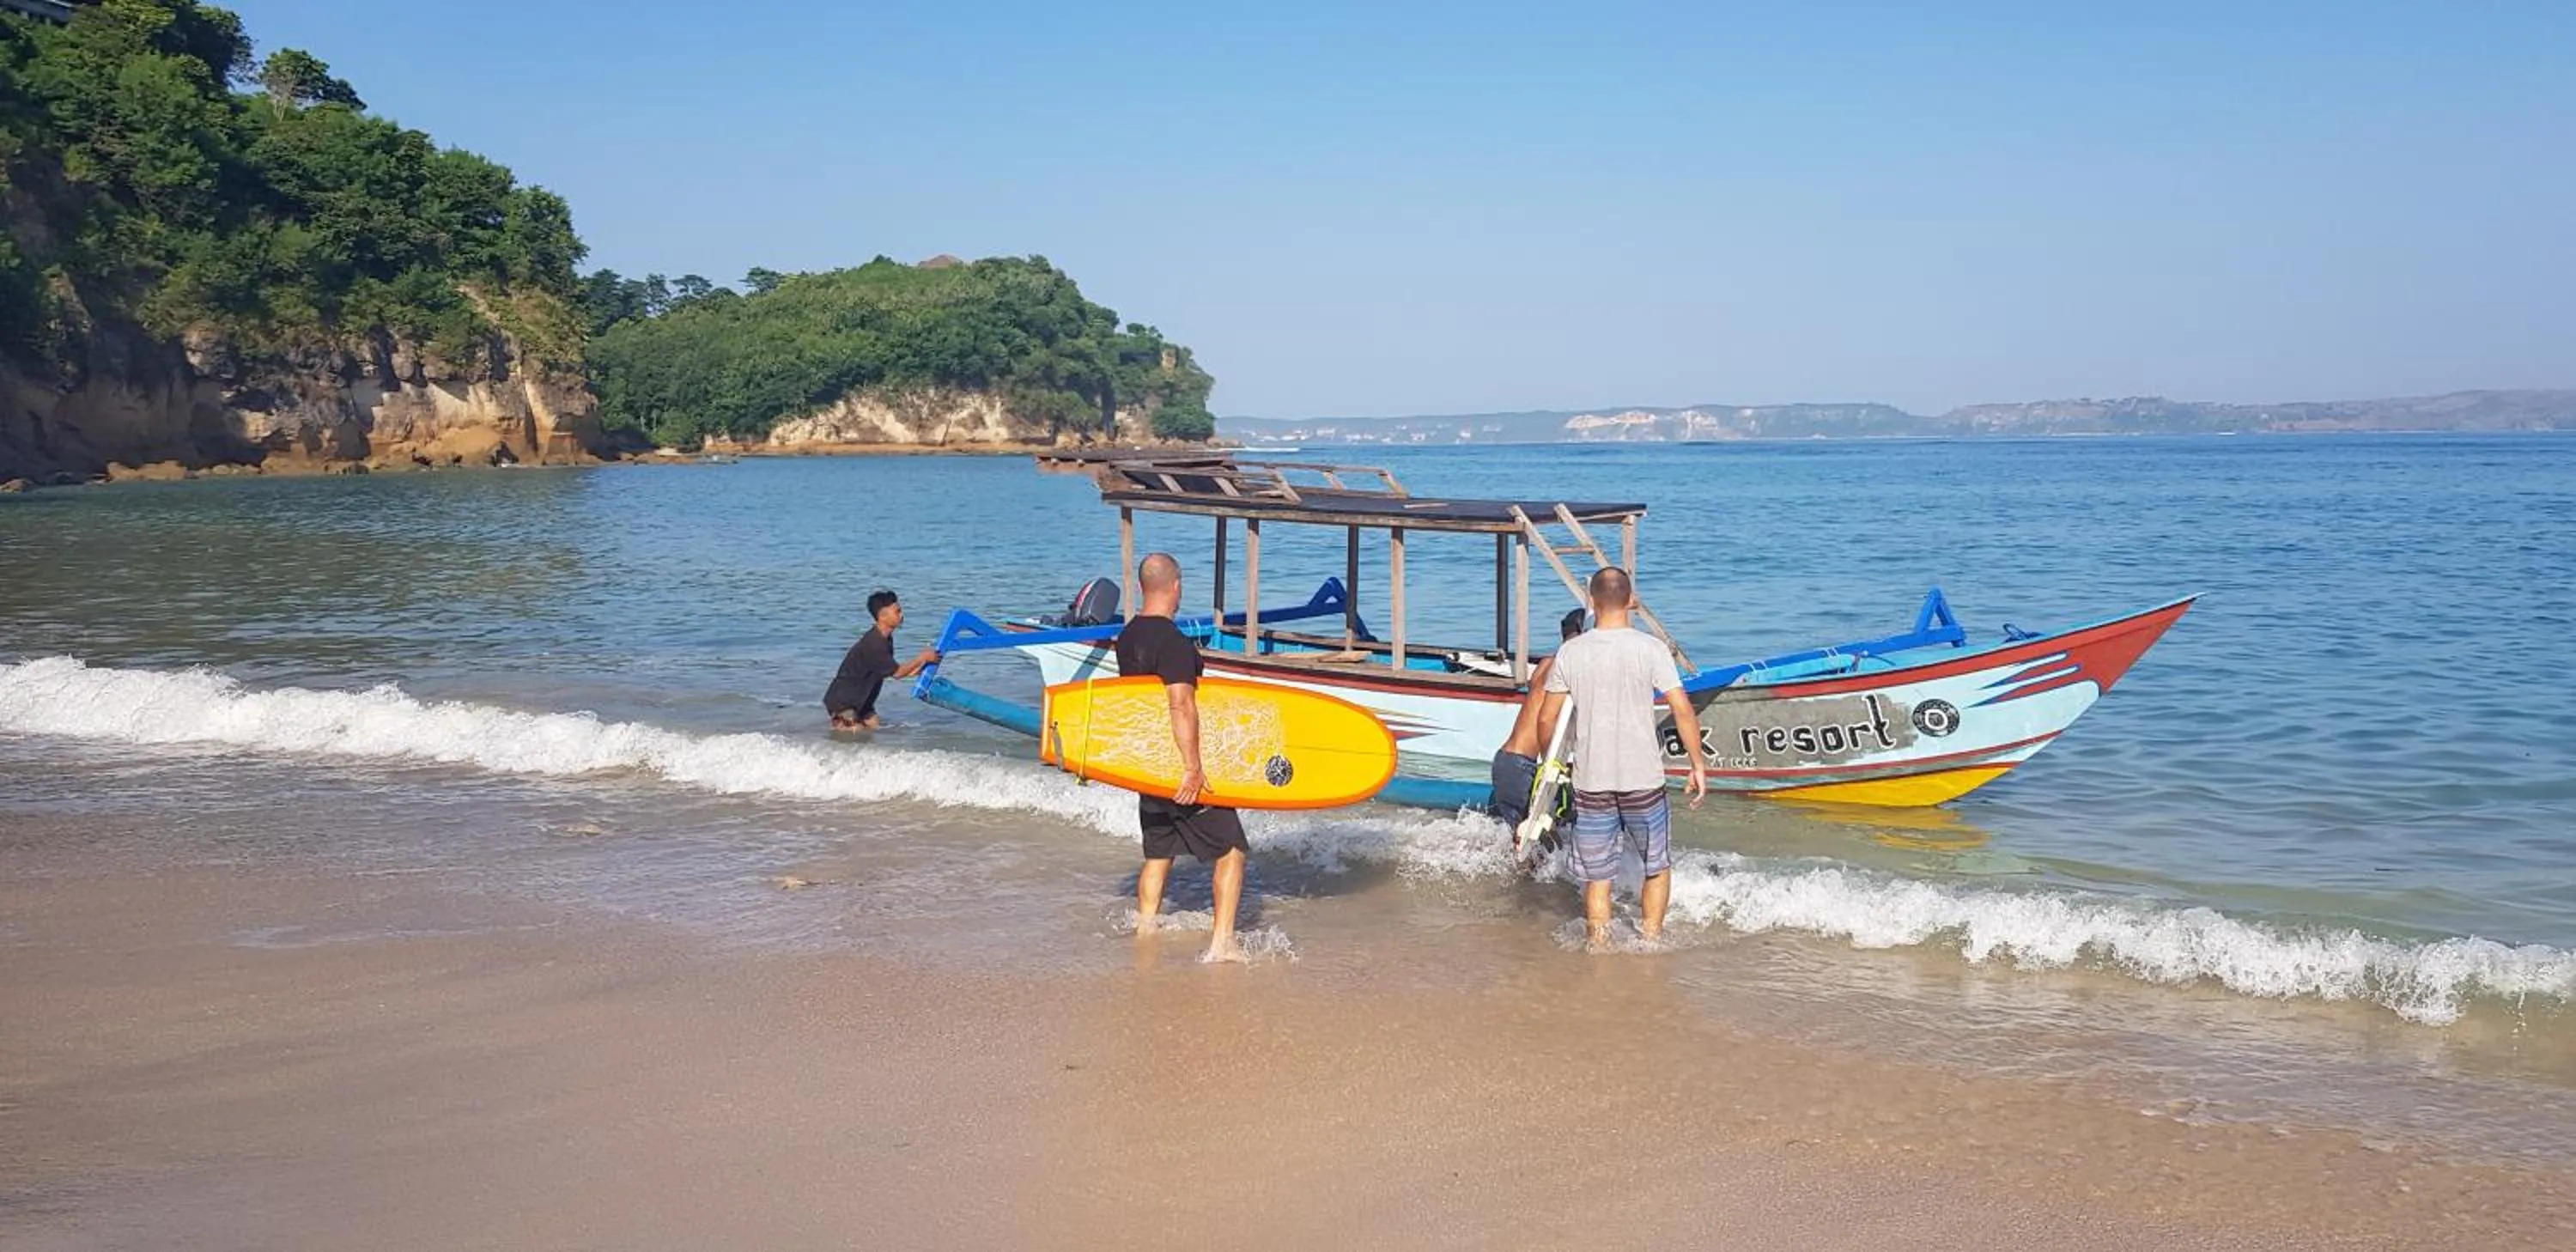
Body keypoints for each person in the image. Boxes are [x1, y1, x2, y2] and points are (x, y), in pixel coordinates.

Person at [1531, 568, 1708, 949]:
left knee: (1597, 876)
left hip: (1591, 780)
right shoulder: (1651, 648)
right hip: (1643, 778)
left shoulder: (1571, 652)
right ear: (1631, 600)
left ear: (1592, 604)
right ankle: (1651, 941)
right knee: (1656, 865)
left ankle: (1598, 945)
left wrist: (1553, 763)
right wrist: (1697, 764)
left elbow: (1546, 717)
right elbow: (1682, 708)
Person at [1116, 552, 1248, 962]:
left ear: (1142, 587)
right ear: (1177, 587)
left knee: (1159, 853)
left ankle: (1146, 929)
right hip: (1178, 765)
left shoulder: (1128, 637)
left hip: (1148, 765)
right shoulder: (1173, 642)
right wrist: (1192, 767)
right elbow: (1181, 705)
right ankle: (1222, 943)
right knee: (1232, 849)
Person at [1489, 607, 1589, 830]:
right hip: (1522, 766)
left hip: (1507, 759)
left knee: (1522, 841)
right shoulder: (1566, 670)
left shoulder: (1546, 663)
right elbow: (1546, 721)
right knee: (1530, 844)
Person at [824, 590, 939, 730]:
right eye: (897, 612)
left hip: (863, 701)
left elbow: (890, 670)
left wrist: (921, 668)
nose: (902, 615)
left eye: (901, 610)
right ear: (882, 616)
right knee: (854, 735)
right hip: (843, 701)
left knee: (874, 730)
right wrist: (922, 657)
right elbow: (897, 673)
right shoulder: (875, 643)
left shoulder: (885, 639)